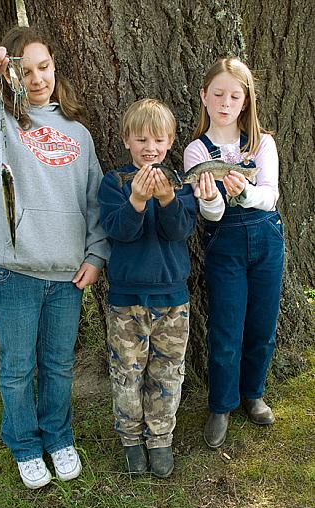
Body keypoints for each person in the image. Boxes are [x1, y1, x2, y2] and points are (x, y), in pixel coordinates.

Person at [0, 26, 109, 489]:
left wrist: (95, 253)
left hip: (67, 275)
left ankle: (57, 436)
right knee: (17, 369)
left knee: (58, 364)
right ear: (8, 74)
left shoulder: (78, 133)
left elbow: (94, 201)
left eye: (43, 67)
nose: (36, 79)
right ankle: (26, 445)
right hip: (12, 275)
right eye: (24, 70)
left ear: (54, 65)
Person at [183, 57, 284, 448]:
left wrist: (245, 191)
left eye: (234, 96)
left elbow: (271, 196)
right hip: (224, 243)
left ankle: (253, 393)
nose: (225, 102)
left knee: (262, 324)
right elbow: (212, 212)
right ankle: (221, 404)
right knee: (226, 330)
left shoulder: (261, 142)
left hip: (266, 239)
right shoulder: (196, 151)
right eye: (218, 94)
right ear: (204, 97)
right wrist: (212, 198)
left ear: (246, 102)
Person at [98, 99, 197, 478]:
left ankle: (160, 438)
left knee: (167, 373)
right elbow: (118, 231)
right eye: (141, 139)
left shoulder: (179, 182)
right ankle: (130, 439)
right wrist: (137, 200)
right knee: (127, 373)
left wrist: (167, 198)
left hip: (173, 299)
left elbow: (180, 230)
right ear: (126, 140)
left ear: (170, 141)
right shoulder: (115, 182)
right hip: (126, 301)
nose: (149, 147)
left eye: (158, 139)